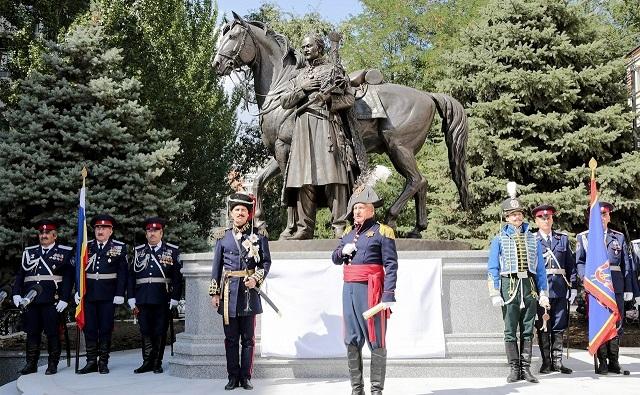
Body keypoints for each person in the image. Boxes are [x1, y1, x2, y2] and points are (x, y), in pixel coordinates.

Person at [280, 33, 357, 239]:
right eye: (303, 47)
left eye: (309, 46)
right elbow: (285, 101)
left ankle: (339, 224)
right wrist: (302, 90)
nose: (305, 50)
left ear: (320, 48)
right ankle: (304, 228)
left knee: (334, 176)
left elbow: (349, 98)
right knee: (303, 178)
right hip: (303, 128)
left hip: (326, 124)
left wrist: (329, 100)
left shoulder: (333, 70)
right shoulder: (298, 76)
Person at [331, 184, 398, 395]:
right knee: (351, 338)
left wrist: (388, 294)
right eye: (355, 208)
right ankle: (356, 390)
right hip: (349, 289)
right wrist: (343, 250)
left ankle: (376, 390)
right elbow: (334, 259)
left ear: (372, 209)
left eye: (361, 207)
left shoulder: (382, 232)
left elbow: (391, 265)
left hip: (371, 289)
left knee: (376, 338)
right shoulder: (349, 234)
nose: (357, 212)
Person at [487, 185, 549, 383]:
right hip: (509, 286)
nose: (517, 218)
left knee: (528, 327)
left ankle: (526, 368)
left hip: (528, 286)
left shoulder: (533, 239)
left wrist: (544, 291)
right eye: (512, 215)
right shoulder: (498, 239)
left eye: (519, 214)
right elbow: (493, 267)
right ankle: (514, 369)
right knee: (510, 328)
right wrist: (495, 291)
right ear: (506, 217)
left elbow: (539, 269)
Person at [210, 193, 271, 391]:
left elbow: (266, 262)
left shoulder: (259, 235)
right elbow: (216, 267)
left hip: (248, 292)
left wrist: (256, 278)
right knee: (230, 339)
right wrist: (215, 293)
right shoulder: (223, 236)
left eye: (243, 210)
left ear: (249, 214)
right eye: (236, 210)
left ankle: (245, 377)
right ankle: (232, 376)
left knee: (248, 339)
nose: (240, 213)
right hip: (228, 293)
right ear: (231, 213)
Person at [576, 201, 636, 375]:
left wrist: (629, 289)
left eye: (604, 214)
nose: (601, 218)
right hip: (597, 287)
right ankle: (602, 361)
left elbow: (626, 265)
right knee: (600, 322)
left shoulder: (618, 237)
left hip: (616, 286)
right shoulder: (585, 238)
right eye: (598, 215)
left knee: (617, 323)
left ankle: (614, 361)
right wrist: (585, 279)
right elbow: (580, 262)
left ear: (609, 216)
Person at [12, 219, 74, 375]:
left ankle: (52, 364)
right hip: (31, 299)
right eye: (41, 233)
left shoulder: (64, 252)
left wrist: (65, 298)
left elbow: (68, 278)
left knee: (52, 332)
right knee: (32, 332)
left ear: (55, 235)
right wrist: (16, 293)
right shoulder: (30, 252)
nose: (44, 235)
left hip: (51, 299)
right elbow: (21, 275)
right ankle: (31, 364)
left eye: (47, 233)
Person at [127, 217, 182, 374]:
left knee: (159, 330)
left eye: (155, 231)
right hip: (142, 297)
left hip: (162, 297)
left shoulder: (172, 251)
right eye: (149, 231)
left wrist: (175, 298)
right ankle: (147, 362)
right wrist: (131, 297)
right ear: (146, 234)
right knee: (145, 330)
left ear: (161, 232)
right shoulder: (138, 251)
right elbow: (131, 277)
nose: (152, 233)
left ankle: (157, 362)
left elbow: (177, 278)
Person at [75, 214, 128, 374]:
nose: (100, 230)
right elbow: (77, 271)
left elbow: (123, 273)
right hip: (88, 294)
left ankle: (103, 362)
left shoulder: (119, 247)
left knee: (105, 328)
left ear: (110, 231)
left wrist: (119, 293)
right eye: (98, 227)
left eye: (104, 228)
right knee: (90, 328)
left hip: (108, 295)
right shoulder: (86, 247)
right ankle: (91, 361)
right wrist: (77, 290)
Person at [531, 204, 577, 374]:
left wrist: (573, 287)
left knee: (559, 325)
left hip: (559, 289)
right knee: (544, 325)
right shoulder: (532, 240)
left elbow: (570, 265)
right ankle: (546, 363)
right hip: (541, 291)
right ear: (536, 221)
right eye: (542, 218)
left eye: (548, 217)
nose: (546, 220)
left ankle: (557, 362)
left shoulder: (562, 239)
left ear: (552, 219)